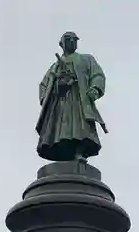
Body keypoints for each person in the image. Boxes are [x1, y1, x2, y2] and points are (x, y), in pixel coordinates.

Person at [36, 31, 108, 162]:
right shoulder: (55, 66)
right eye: (67, 39)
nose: (71, 42)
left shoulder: (86, 59)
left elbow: (97, 75)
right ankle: (63, 154)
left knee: (81, 128)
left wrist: (95, 88)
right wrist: (57, 86)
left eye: (74, 39)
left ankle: (79, 152)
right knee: (61, 130)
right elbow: (44, 85)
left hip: (79, 99)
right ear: (61, 44)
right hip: (60, 102)